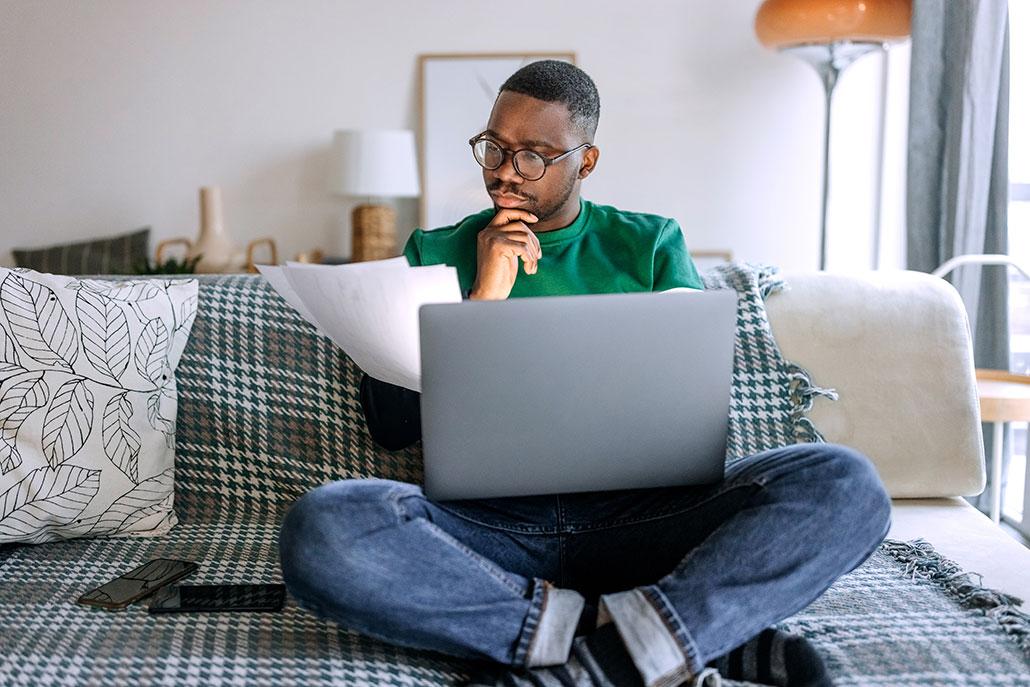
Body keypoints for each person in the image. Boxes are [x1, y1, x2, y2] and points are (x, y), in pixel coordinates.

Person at [279, 60, 891, 687]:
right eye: (494, 148)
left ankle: (578, 652)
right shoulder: (434, 252)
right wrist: (482, 301)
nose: (505, 172)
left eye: (535, 155)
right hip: (490, 530)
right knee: (322, 527)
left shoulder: (649, 245)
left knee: (846, 483)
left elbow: (690, 405)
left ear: (586, 161)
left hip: (645, 524)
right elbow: (390, 426)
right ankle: (646, 641)